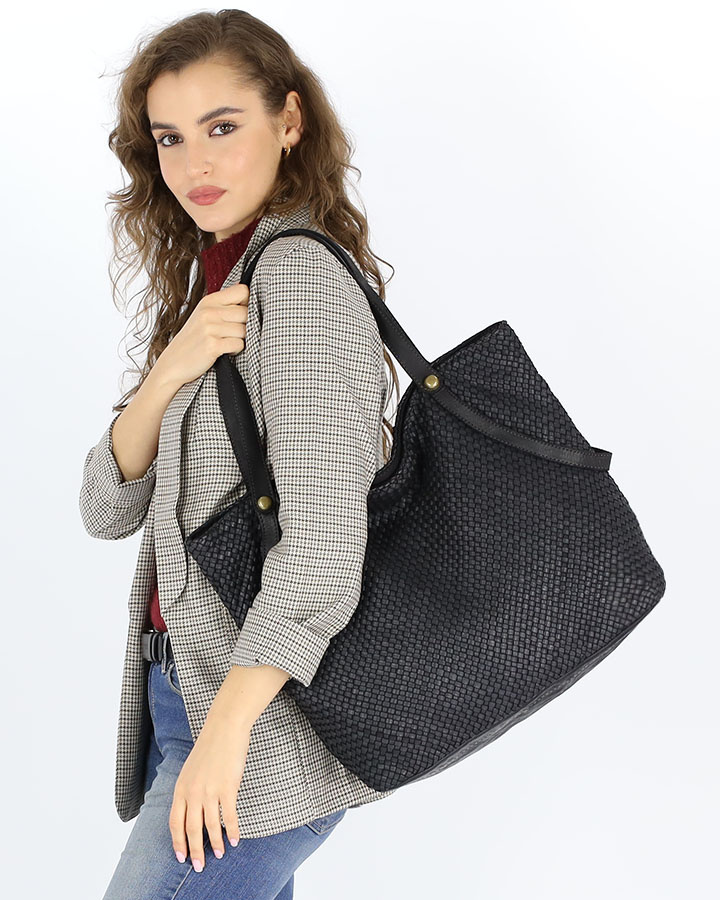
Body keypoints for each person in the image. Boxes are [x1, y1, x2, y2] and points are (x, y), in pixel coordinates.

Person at [79, 9, 400, 898]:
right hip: (187, 699)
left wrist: (225, 739)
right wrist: (169, 370)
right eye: (170, 138)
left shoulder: (295, 282)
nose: (196, 165)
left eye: (222, 128)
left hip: (251, 723)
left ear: (289, 120)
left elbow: (324, 546)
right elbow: (105, 507)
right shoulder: (221, 285)